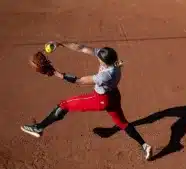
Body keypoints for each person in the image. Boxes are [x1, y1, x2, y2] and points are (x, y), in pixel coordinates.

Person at [20, 42, 153, 160]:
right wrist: (60, 44)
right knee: (122, 123)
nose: (98, 58)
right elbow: (82, 48)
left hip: (101, 100)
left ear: (105, 62)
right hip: (114, 96)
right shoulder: (112, 60)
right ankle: (145, 145)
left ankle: (39, 127)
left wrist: (54, 72)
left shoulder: (105, 76)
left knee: (64, 105)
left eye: (99, 59)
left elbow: (79, 81)